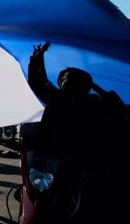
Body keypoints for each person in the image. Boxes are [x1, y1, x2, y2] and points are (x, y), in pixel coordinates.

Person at [26, 42, 130, 222]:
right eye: (64, 78)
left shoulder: (95, 103)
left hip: (86, 170)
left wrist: (37, 61)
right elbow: (38, 82)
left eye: (69, 78)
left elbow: (118, 111)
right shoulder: (58, 99)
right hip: (53, 168)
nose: (65, 81)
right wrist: (37, 60)